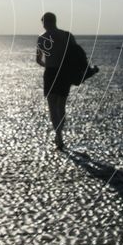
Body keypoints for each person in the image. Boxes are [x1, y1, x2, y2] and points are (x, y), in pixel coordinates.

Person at [36, 12, 77, 151]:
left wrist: (46, 65)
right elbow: (75, 54)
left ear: (45, 23)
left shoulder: (42, 38)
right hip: (64, 73)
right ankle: (60, 133)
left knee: (52, 106)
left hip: (51, 72)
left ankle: (58, 135)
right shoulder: (67, 35)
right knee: (61, 106)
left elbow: (38, 60)